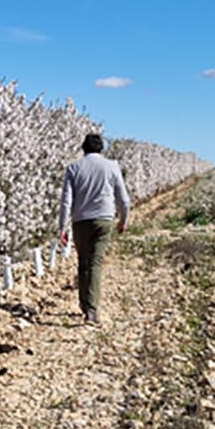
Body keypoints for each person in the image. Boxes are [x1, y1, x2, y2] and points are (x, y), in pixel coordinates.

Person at [57, 134, 131, 323]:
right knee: (95, 263)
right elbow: (124, 199)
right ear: (101, 148)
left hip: (80, 222)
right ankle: (92, 309)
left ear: (83, 148)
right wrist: (123, 220)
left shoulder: (73, 168)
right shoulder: (112, 166)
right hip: (104, 220)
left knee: (83, 263)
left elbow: (66, 201)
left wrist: (62, 227)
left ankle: (84, 305)